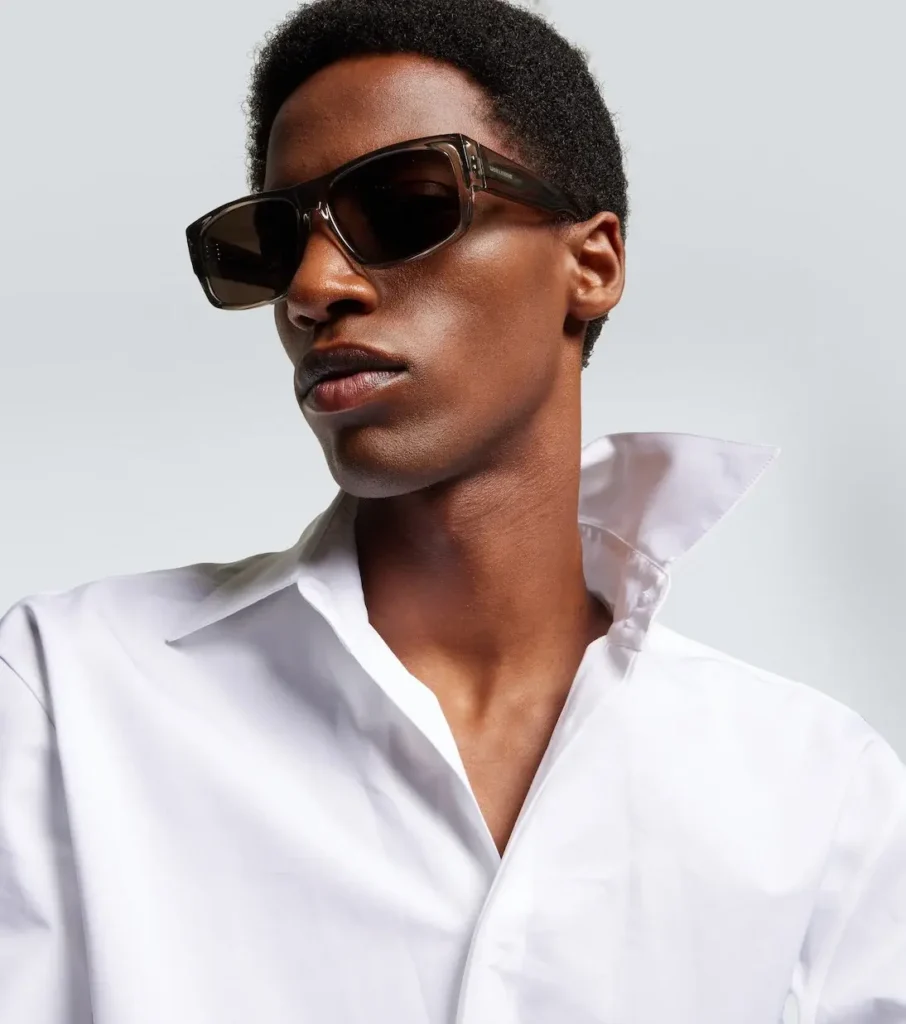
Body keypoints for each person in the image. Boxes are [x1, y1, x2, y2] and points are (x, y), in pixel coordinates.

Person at [1, 0, 903, 1020]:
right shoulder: (63, 701)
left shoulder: (821, 799)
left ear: (592, 265)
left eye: (403, 207)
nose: (312, 288)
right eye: (277, 243)